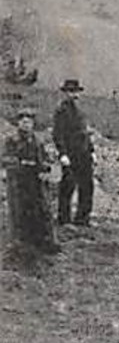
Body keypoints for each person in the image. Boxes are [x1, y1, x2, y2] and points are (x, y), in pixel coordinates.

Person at [3, 104, 61, 257]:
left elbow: (45, 158)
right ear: (18, 123)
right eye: (23, 121)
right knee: (19, 212)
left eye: (29, 121)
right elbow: (5, 159)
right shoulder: (11, 140)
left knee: (41, 209)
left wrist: (46, 168)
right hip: (18, 182)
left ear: (33, 124)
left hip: (36, 181)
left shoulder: (38, 140)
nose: (26, 124)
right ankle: (18, 244)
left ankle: (43, 242)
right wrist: (21, 164)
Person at [51, 78, 95, 226]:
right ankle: (64, 219)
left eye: (76, 92)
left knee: (87, 186)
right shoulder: (62, 110)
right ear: (65, 93)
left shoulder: (81, 111)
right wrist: (62, 154)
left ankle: (83, 218)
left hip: (84, 154)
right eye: (70, 92)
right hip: (71, 154)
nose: (74, 95)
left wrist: (92, 151)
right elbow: (58, 134)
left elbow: (86, 133)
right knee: (68, 186)